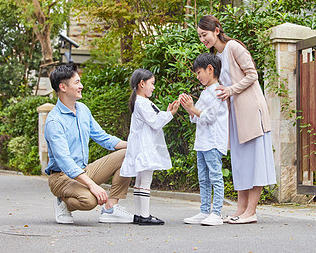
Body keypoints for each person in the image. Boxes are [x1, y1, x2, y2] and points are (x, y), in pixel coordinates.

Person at [196, 15, 277, 224]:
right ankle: (240, 209)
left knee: (255, 160)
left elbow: (252, 75)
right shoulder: (217, 56)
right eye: (200, 36)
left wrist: (231, 90)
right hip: (235, 116)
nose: (202, 40)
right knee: (240, 162)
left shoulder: (233, 47)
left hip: (251, 111)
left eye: (204, 35)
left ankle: (251, 211)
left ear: (216, 30)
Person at [45, 63, 134, 224]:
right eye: (77, 82)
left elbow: (103, 137)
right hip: (60, 177)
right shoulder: (54, 121)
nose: (82, 86)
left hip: (84, 170)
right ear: (63, 87)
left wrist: (133, 145)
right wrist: (92, 186)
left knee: (129, 153)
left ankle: (110, 208)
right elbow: (64, 160)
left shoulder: (83, 110)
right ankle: (63, 201)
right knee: (90, 200)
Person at [120, 69, 180, 225]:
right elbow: (155, 122)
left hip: (142, 146)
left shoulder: (140, 102)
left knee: (140, 181)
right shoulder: (142, 103)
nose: (153, 87)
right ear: (142, 84)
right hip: (145, 147)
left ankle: (140, 214)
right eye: (152, 83)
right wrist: (171, 114)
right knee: (145, 181)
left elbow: (154, 120)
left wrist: (166, 112)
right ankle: (144, 215)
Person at [180, 53, 228, 226]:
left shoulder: (217, 91)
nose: (198, 77)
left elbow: (209, 117)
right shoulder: (206, 92)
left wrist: (193, 108)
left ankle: (216, 212)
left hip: (213, 142)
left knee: (215, 177)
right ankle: (204, 210)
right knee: (203, 177)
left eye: (199, 72)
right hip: (202, 142)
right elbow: (196, 116)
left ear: (210, 69)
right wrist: (189, 107)